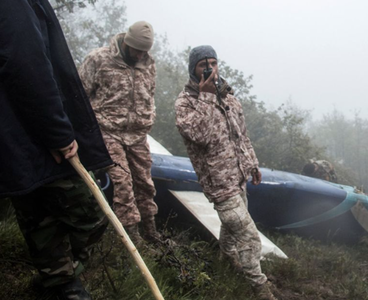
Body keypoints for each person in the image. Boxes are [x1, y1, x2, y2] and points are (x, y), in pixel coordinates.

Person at [0, 0, 113, 298]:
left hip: (17, 128)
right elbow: (24, 61)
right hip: (27, 129)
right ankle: (59, 281)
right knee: (86, 211)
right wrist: (56, 131)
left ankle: (57, 280)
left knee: (39, 206)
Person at [175, 45, 277, 300]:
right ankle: (260, 288)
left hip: (238, 175)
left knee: (232, 228)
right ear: (193, 69)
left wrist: (251, 164)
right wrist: (207, 96)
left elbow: (241, 135)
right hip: (218, 182)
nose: (210, 68)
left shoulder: (229, 97)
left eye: (213, 62)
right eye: (203, 65)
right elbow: (201, 136)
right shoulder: (185, 102)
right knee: (249, 236)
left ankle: (226, 260)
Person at [78, 21, 161, 245]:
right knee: (122, 181)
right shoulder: (99, 59)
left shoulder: (148, 64)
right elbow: (79, 95)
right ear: (126, 42)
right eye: (137, 50)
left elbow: (149, 94)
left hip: (137, 136)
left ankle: (150, 230)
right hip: (108, 131)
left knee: (145, 183)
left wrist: (148, 117)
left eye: (145, 51)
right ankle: (131, 237)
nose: (140, 55)